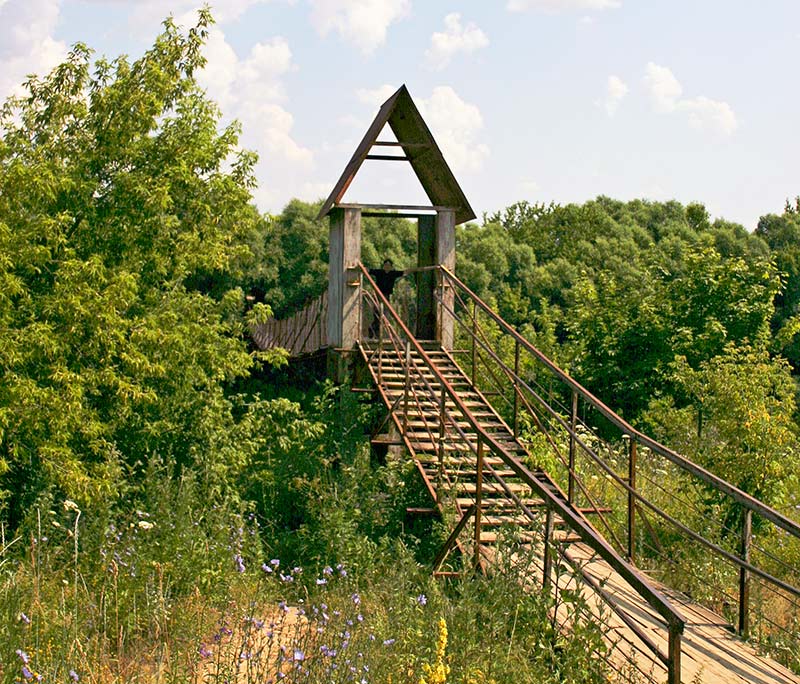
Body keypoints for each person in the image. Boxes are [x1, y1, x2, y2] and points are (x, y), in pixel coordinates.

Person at [368, 258, 409, 337]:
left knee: (384, 315)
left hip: (386, 296)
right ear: (383, 266)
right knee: (377, 313)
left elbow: (404, 272)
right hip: (378, 295)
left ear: (391, 267)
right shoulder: (379, 272)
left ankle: (375, 332)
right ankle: (373, 330)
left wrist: (415, 270)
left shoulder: (393, 274)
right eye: (385, 265)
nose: (387, 267)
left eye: (388, 265)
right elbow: (370, 271)